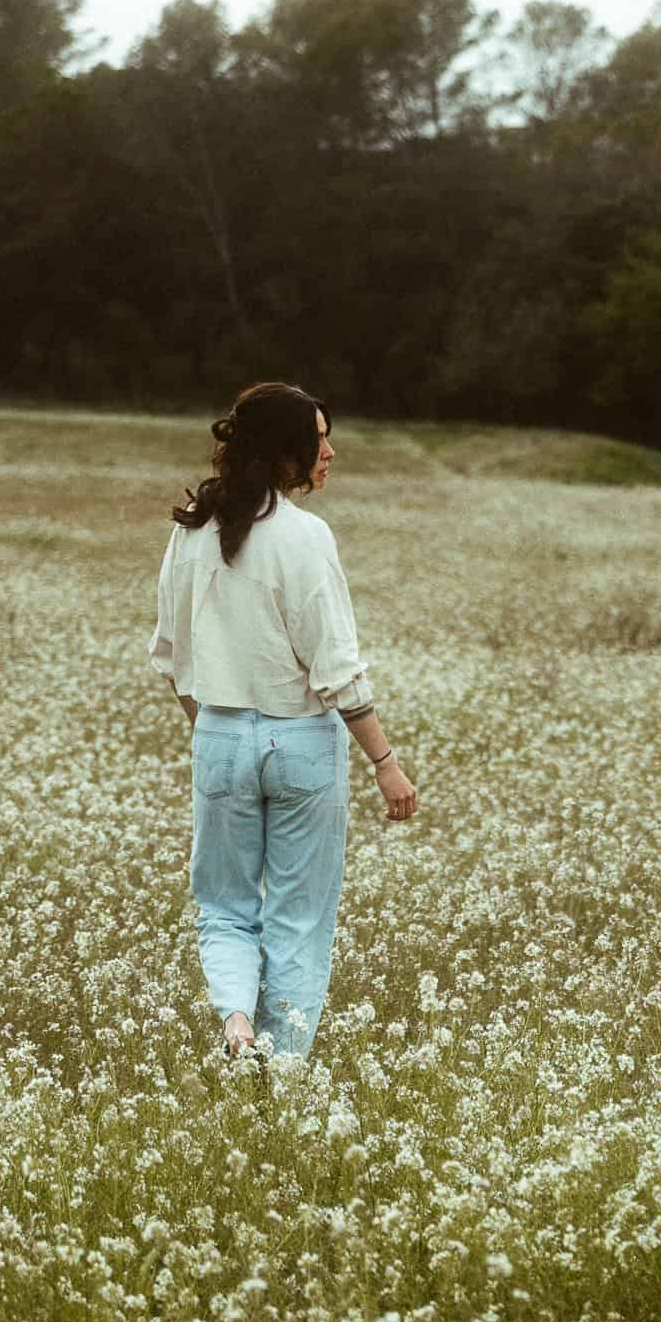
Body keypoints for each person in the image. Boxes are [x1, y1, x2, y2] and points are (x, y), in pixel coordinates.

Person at [149, 382, 417, 1060]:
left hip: (219, 731)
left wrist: (215, 725)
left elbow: (172, 656)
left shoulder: (190, 530)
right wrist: (385, 764)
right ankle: (283, 1070)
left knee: (224, 907)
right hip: (300, 741)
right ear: (286, 454)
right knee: (297, 919)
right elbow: (337, 670)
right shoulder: (304, 537)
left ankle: (237, 1024)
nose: (330, 451)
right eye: (318, 440)